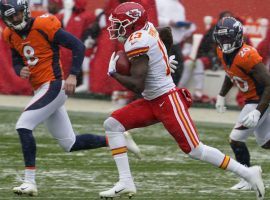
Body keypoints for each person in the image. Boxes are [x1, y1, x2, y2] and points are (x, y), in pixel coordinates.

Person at [99, 2, 265, 200]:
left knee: (195, 149)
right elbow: (166, 32)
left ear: (133, 24)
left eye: (120, 23)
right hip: (152, 101)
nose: (115, 27)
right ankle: (125, 181)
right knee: (112, 124)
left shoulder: (136, 41)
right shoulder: (146, 28)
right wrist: (163, 58)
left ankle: (248, 173)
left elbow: (138, 85)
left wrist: (114, 74)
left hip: (167, 100)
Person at [0, 0, 140, 196]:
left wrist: (73, 74)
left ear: (24, 11)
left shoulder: (43, 25)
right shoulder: (9, 34)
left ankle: (29, 181)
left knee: (23, 126)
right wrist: (19, 69)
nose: (15, 18)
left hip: (54, 85)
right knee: (70, 143)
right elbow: (16, 59)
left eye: (17, 14)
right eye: (10, 16)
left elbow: (78, 46)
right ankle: (117, 141)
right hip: (40, 89)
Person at [214, 17, 270, 192]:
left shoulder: (248, 55)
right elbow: (231, 73)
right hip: (253, 100)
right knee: (266, 142)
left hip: (260, 101)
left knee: (236, 140)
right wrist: (221, 95)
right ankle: (248, 177)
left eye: (228, 38)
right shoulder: (222, 52)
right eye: (222, 38)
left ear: (238, 36)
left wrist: (257, 112)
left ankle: (248, 178)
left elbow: (269, 84)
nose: (225, 42)